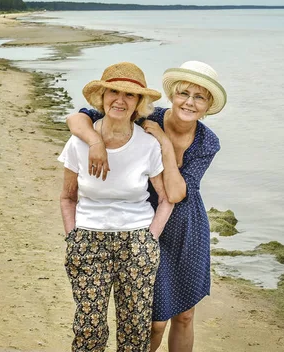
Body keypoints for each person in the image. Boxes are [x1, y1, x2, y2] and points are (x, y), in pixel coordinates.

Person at [66, 61, 227, 352]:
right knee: (153, 320)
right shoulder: (143, 116)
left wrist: (164, 143)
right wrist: (94, 142)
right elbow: (78, 119)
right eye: (184, 93)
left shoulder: (206, 141)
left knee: (185, 315)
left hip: (186, 227)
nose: (189, 102)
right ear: (172, 96)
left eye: (199, 97)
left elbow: (178, 193)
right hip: (142, 222)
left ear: (207, 105)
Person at [59, 62, 174, 352]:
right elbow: (67, 197)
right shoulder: (78, 142)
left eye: (130, 95)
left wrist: (150, 238)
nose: (120, 100)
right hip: (87, 241)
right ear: (102, 97)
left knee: (135, 329)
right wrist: (73, 236)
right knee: (88, 327)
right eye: (113, 92)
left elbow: (165, 197)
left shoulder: (148, 145)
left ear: (139, 104)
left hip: (136, 242)